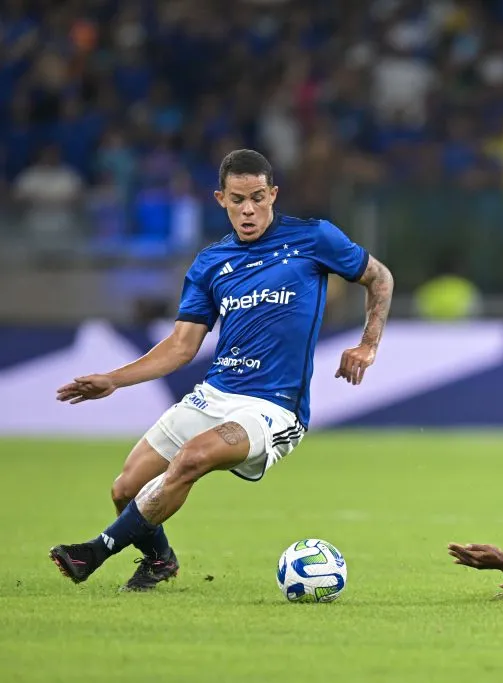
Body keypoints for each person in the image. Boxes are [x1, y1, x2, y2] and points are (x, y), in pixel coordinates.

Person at [49, 149, 394, 591]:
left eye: (257, 197)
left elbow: (379, 277)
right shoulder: (210, 264)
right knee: (125, 489)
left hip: (273, 408)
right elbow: (180, 346)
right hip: (215, 394)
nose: (248, 209)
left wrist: (368, 344)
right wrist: (114, 379)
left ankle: (95, 551)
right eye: (237, 199)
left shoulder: (314, 239)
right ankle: (159, 560)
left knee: (193, 458)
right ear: (220, 199)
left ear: (273, 194)